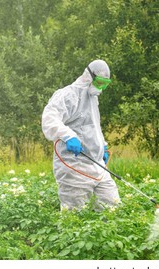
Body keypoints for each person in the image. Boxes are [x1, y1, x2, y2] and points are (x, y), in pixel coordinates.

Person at [41, 59, 120, 211]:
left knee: (112, 205)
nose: (101, 87)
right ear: (89, 76)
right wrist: (68, 135)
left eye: (105, 83)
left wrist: (102, 147)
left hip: (96, 165)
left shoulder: (92, 99)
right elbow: (50, 118)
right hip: (74, 165)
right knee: (74, 214)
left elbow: (93, 127)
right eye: (99, 82)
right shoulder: (68, 95)